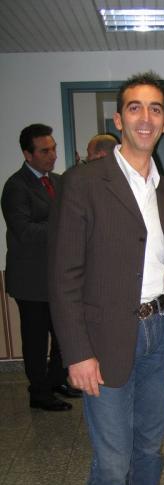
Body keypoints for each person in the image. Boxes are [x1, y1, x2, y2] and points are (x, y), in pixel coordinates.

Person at [49, 71, 164, 485]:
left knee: (149, 450)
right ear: (119, 119)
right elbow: (64, 275)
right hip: (104, 340)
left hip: (158, 334)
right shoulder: (84, 182)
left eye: (155, 109)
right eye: (135, 108)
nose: (145, 117)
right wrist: (77, 352)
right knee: (113, 461)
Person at [1, 123, 80, 411]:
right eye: (45, 151)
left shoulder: (58, 182)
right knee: (35, 341)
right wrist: (63, 225)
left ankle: (57, 380)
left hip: (58, 278)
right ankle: (39, 392)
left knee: (62, 334)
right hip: (31, 281)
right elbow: (25, 231)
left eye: (54, 149)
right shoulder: (16, 187)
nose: (53, 155)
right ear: (28, 154)